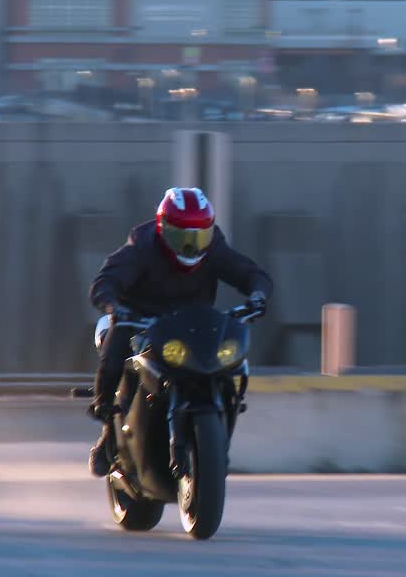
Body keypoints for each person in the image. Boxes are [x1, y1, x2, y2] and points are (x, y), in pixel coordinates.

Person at [86, 187, 272, 477]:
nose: (190, 246)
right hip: (142, 321)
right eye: (182, 237)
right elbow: (105, 281)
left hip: (192, 325)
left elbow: (250, 273)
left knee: (230, 364)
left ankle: (220, 422)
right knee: (117, 341)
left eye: (198, 237)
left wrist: (258, 294)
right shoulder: (141, 246)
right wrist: (114, 306)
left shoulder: (214, 248)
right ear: (162, 230)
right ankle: (107, 428)